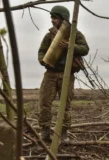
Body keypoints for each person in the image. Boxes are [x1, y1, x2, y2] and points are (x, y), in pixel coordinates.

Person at [37, 5, 89, 142]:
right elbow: (41, 51)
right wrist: (43, 61)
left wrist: (70, 46)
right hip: (50, 74)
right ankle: (45, 132)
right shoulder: (50, 35)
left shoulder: (74, 34)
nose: (52, 20)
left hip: (67, 74)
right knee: (44, 103)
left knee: (65, 105)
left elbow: (85, 49)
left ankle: (63, 133)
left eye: (55, 18)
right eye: (52, 18)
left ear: (63, 19)